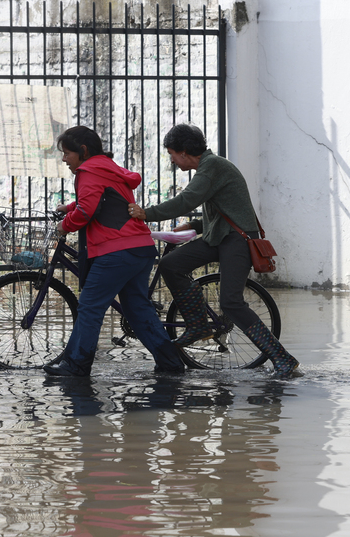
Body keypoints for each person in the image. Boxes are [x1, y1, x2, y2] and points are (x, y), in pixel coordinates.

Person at [127, 124, 300, 378]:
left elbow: (187, 200)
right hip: (219, 237)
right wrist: (196, 225)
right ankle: (198, 325)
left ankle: (282, 358)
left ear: (184, 152)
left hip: (237, 241)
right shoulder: (208, 168)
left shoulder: (212, 167)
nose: (172, 161)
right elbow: (226, 209)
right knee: (170, 264)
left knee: (231, 303)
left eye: (172, 154)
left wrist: (147, 213)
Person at [44, 126, 185, 377]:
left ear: (83, 151)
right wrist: (68, 207)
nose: (64, 159)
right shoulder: (107, 167)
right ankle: (171, 362)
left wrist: (63, 227)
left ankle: (76, 365)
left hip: (116, 251)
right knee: (137, 308)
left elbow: (87, 210)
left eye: (66, 153)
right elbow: (102, 198)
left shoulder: (87, 171)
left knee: (89, 307)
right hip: (139, 247)